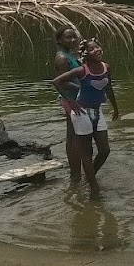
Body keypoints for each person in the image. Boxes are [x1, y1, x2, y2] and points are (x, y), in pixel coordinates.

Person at [52, 38, 120, 182]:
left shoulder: (106, 67)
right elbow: (57, 81)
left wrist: (116, 108)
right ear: (86, 54)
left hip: (97, 111)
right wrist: (70, 101)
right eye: (91, 49)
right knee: (87, 151)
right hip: (81, 112)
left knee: (104, 150)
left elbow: (109, 88)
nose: (96, 50)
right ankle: (93, 187)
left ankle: (90, 177)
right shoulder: (82, 70)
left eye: (97, 47)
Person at [53, 26, 83, 180]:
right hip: (70, 99)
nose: (72, 40)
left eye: (73, 37)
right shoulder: (62, 58)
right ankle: (75, 172)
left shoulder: (69, 54)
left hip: (73, 98)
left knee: (73, 135)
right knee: (74, 136)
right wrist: (81, 86)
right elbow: (62, 82)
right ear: (59, 40)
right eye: (68, 38)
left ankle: (75, 171)